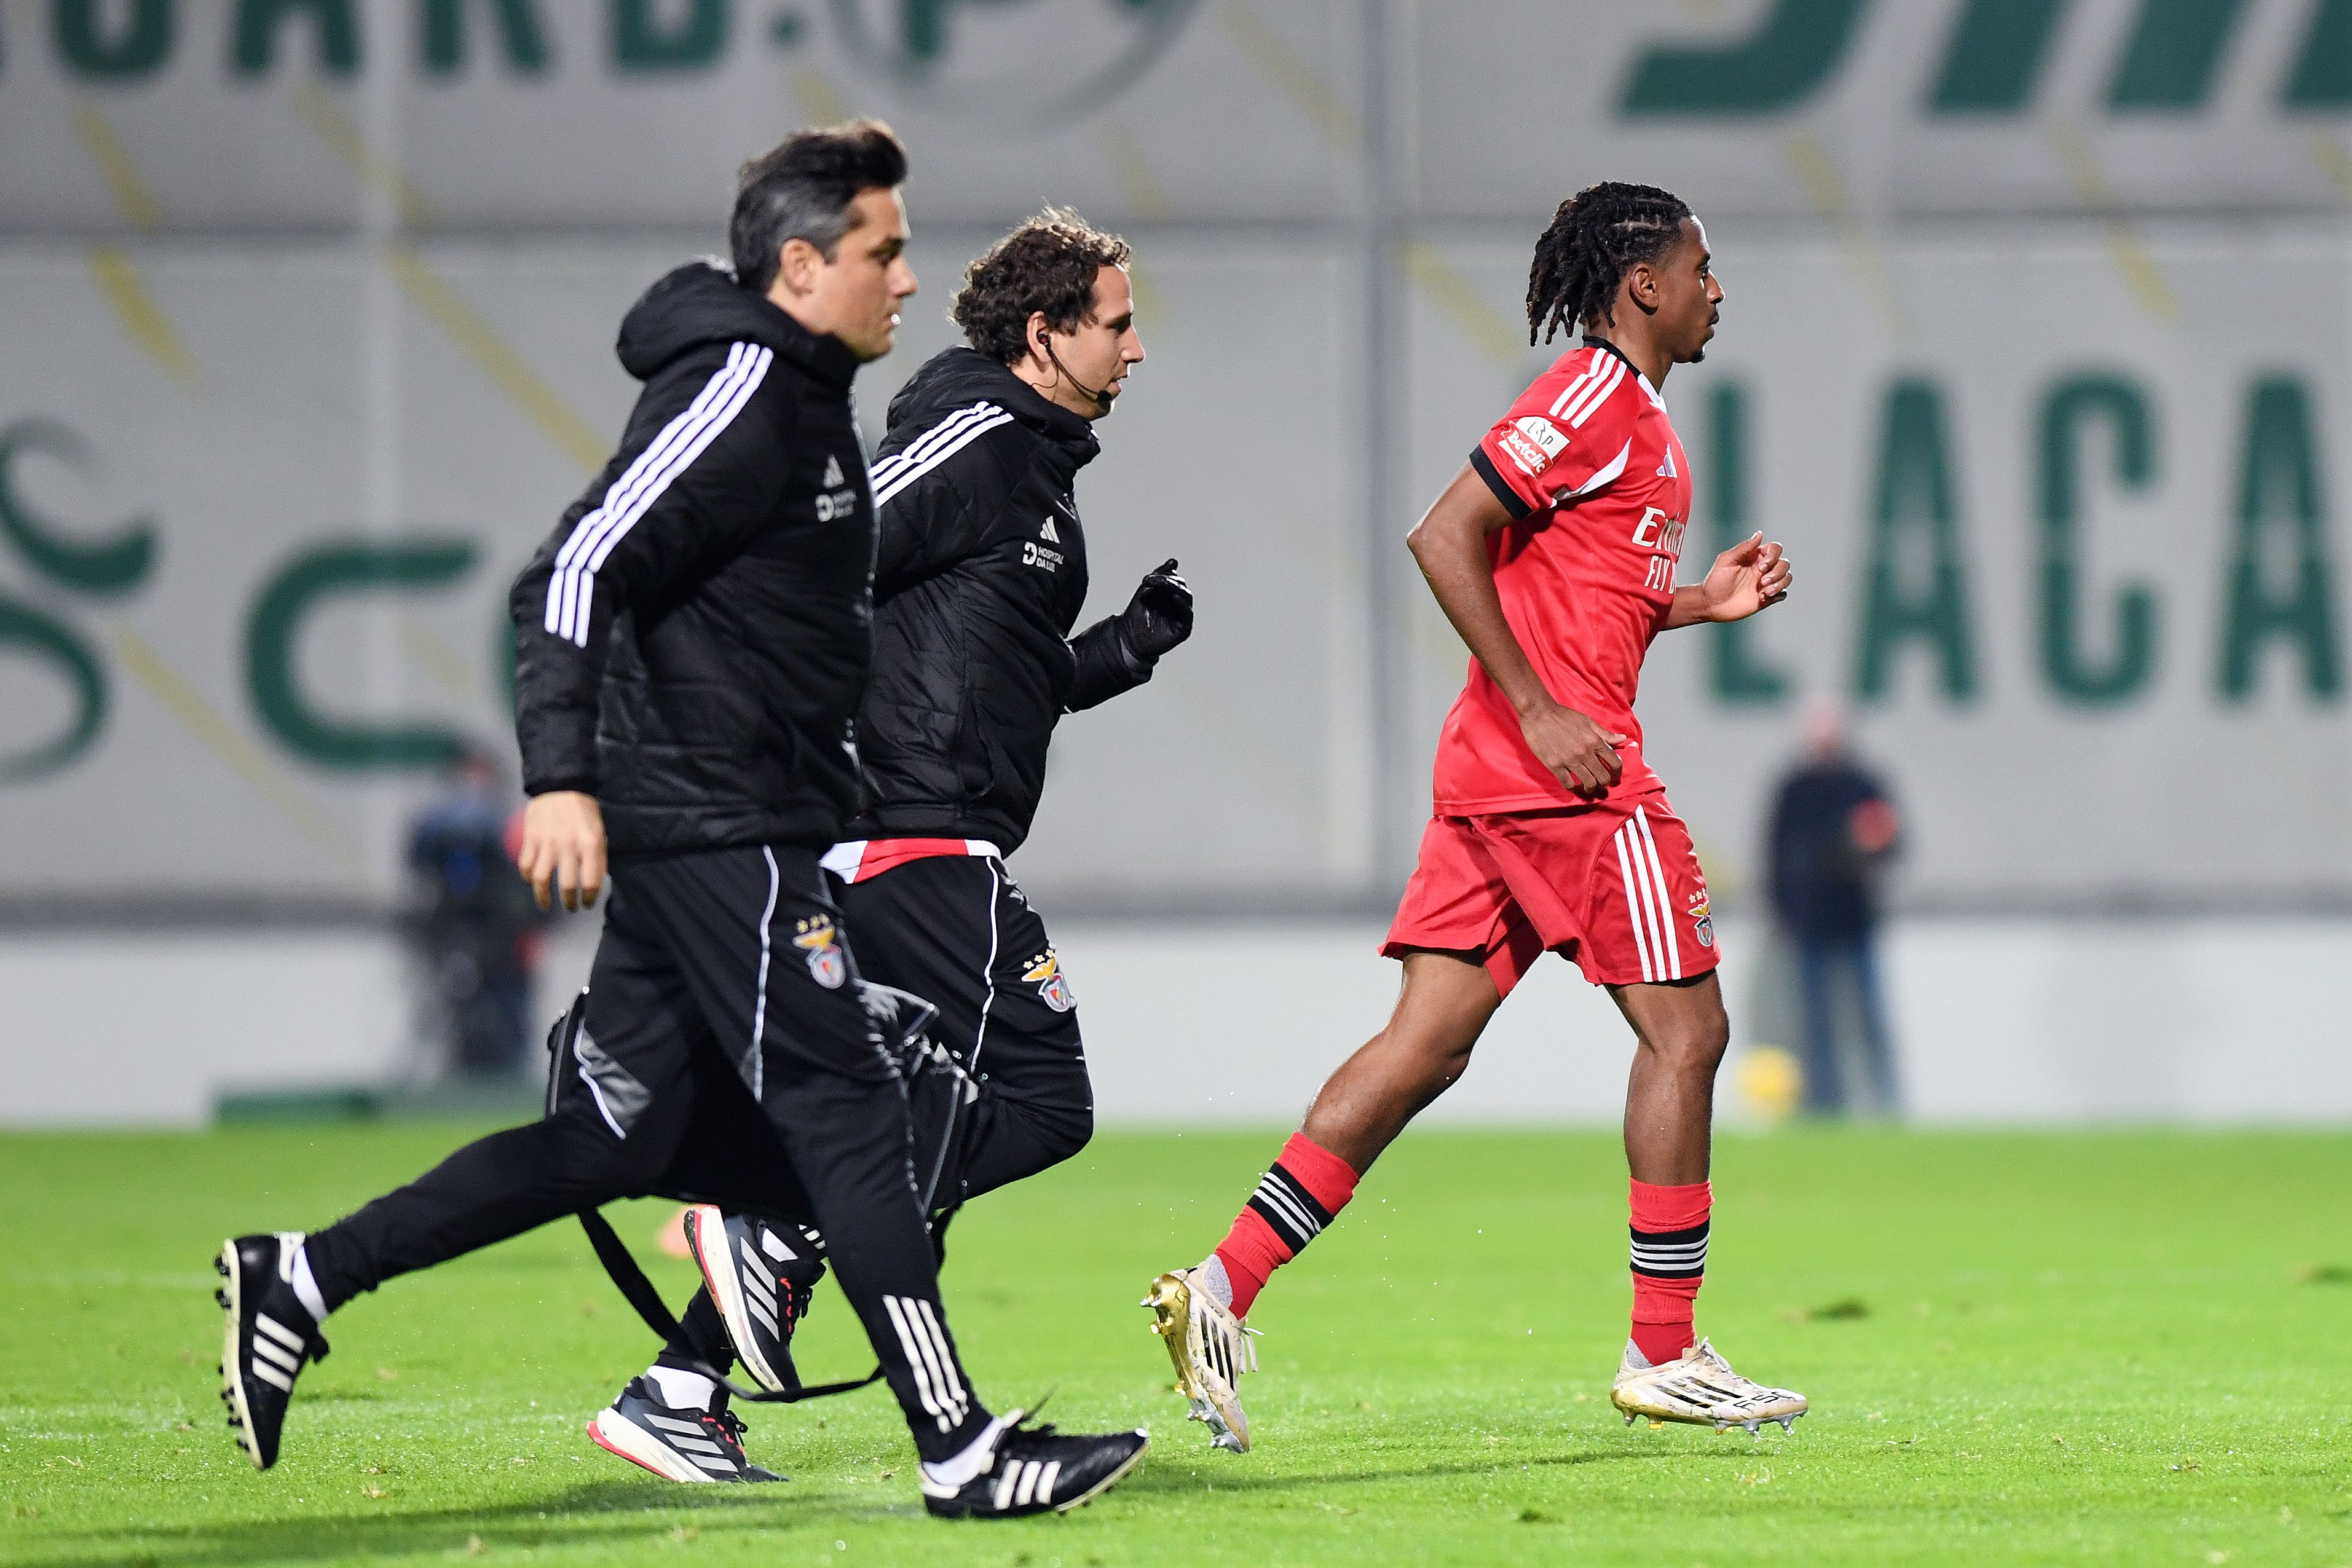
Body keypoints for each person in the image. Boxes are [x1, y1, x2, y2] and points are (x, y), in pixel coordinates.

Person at [210, 122, 1148, 1520]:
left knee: (610, 1140)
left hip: (732, 816)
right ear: (801, 262)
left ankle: (309, 1273)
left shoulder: (810, 398)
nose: (906, 276)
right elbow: (575, 565)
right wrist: (562, 777)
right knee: (851, 1119)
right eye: (884, 250)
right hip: (728, 823)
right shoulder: (745, 387)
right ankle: (956, 1444)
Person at [1142, 181, 1807, 1451]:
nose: (1718, 289)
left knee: (1424, 1045)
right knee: (1690, 1030)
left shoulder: (1638, 424)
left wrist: (1697, 606)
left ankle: (1220, 1285)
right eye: (1701, 267)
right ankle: (1662, 1354)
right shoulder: (1592, 396)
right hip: (1561, 776)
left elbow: (1579, 590)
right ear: (1643, 287)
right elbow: (1444, 533)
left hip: (1492, 780)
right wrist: (1542, 708)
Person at [588, 208, 1194, 1482]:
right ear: (1045, 335)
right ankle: (761, 1220)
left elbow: (987, 675)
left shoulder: (1030, 470)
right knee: (1035, 1103)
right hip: (913, 842)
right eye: (1118, 324)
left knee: (948, 1116)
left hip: (923, 839)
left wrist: (1120, 649)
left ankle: (681, 1384)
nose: (1137, 350)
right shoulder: (976, 440)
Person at [1766, 701, 1901, 1115]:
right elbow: (1775, 855)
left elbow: (1892, 841)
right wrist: (1784, 912)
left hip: (1856, 921)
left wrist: (1868, 846)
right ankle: (1823, 1105)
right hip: (1809, 924)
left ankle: (1885, 1103)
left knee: (1869, 1019)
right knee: (1815, 1024)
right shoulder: (1794, 788)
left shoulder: (1863, 785)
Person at [403, 747, 545, 1077]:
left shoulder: (511, 828)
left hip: (506, 948)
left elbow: (530, 893)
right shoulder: (435, 828)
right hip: (455, 936)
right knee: (458, 1022)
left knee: (510, 1023)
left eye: (481, 776)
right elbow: (422, 872)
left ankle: (510, 1082)